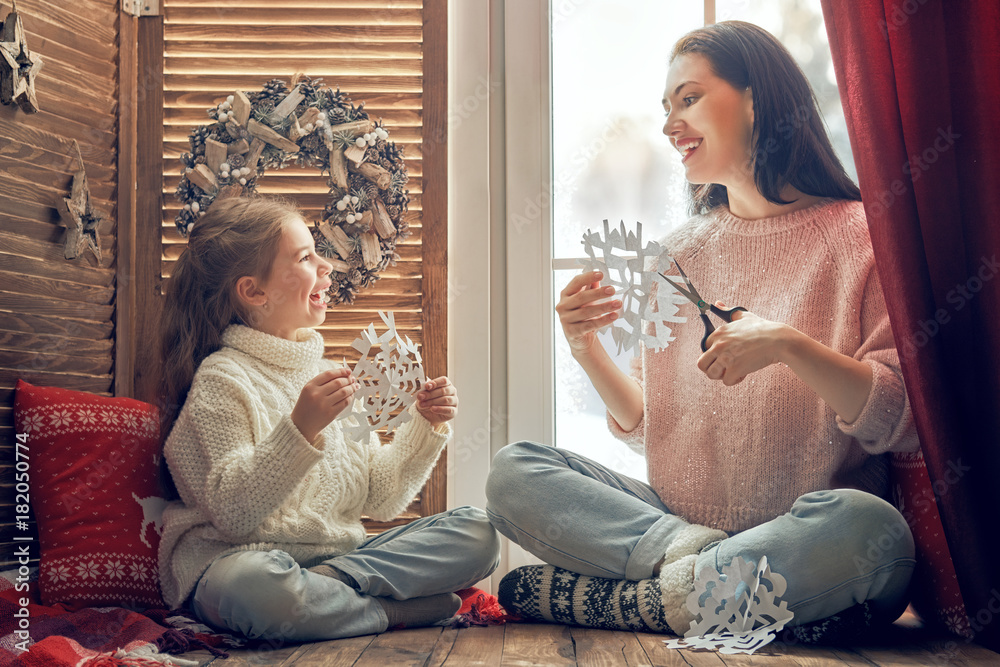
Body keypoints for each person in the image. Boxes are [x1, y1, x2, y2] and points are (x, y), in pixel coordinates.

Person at [487, 21, 918, 638]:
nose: (669, 126)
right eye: (665, 109)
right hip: (675, 528)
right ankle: (708, 588)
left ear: (756, 98)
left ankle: (640, 602)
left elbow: (899, 418)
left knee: (875, 531)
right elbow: (650, 430)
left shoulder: (860, 239)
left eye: (688, 99)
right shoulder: (678, 255)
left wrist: (786, 345)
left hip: (805, 532)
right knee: (513, 472)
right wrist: (587, 351)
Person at [156, 196, 500, 642]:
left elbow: (382, 498)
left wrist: (424, 425)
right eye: (305, 257)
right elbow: (232, 514)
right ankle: (394, 612)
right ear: (254, 291)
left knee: (479, 533)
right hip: (241, 563)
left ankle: (336, 596)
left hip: (343, 561)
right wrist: (300, 428)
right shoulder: (222, 379)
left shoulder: (325, 375)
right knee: (256, 588)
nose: (328, 267)